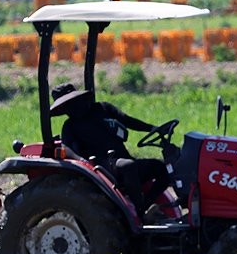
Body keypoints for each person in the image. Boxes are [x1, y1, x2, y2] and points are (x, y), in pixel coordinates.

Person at [55, 87, 172, 217]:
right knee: (128, 166)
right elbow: (66, 148)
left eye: (74, 102)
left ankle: (146, 205)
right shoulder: (70, 126)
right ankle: (139, 214)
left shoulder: (103, 109)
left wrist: (151, 128)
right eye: (67, 106)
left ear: (81, 99)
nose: (73, 108)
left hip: (122, 159)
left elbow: (127, 120)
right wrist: (82, 160)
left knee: (163, 168)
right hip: (102, 168)